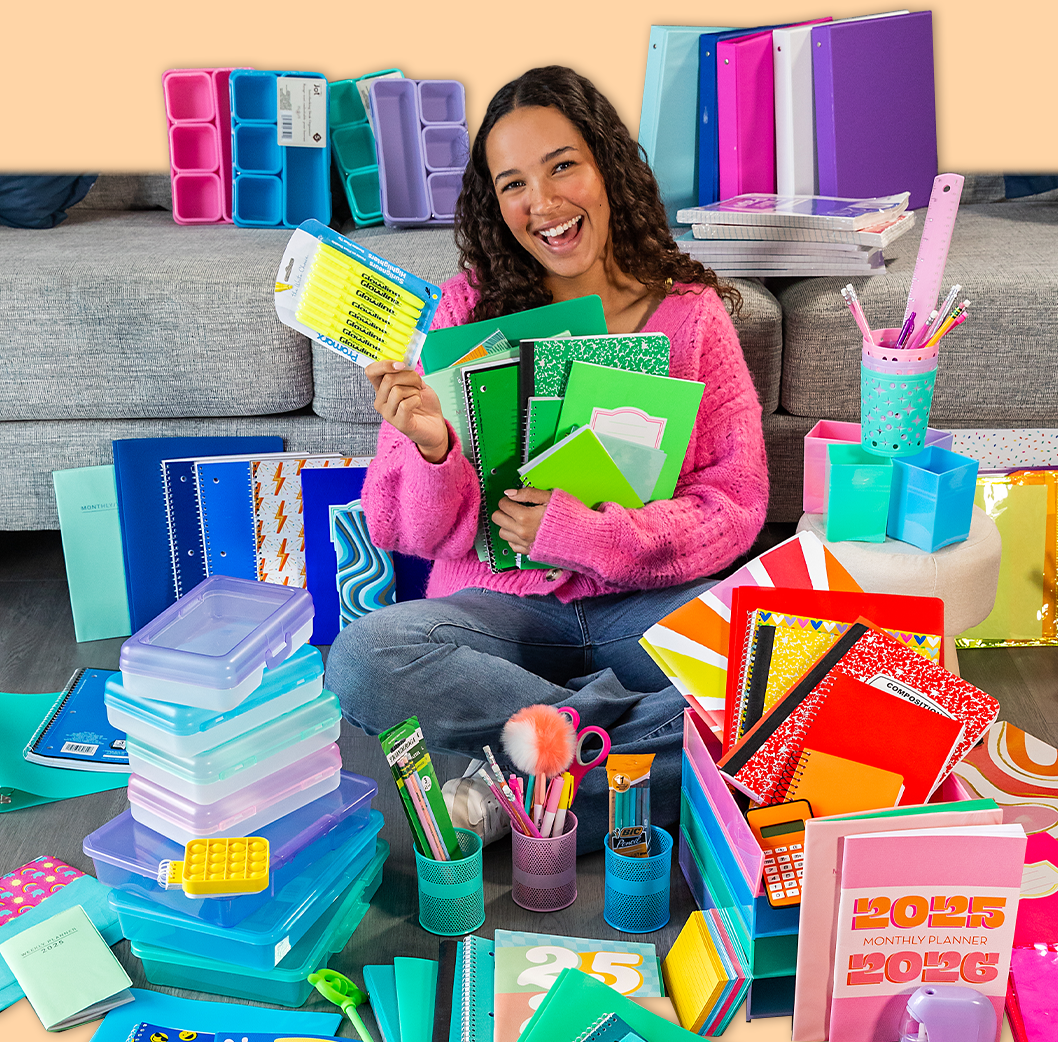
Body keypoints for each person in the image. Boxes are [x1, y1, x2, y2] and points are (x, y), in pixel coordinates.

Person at [324, 65, 768, 854]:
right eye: (514, 184)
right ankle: (618, 759)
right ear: (495, 206)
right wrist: (433, 447)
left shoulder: (692, 317)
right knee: (362, 659)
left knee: (788, 676)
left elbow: (733, 508)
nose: (545, 203)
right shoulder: (463, 308)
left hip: (641, 609)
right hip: (500, 618)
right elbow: (402, 527)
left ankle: (516, 778)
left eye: (563, 165)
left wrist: (582, 533)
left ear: (607, 166)